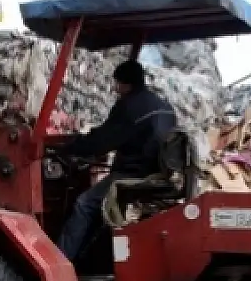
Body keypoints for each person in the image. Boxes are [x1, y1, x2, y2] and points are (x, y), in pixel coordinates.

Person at [55, 59, 177, 261]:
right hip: (159, 173)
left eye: (117, 84)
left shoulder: (129, 107)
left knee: (84, 204)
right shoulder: (165, 107)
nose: (115, 89)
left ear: (126, 84)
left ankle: (60, 261)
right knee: (97, 202)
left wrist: (72, 147)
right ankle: (88, 260)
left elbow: (104, 140)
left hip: (134, 174)